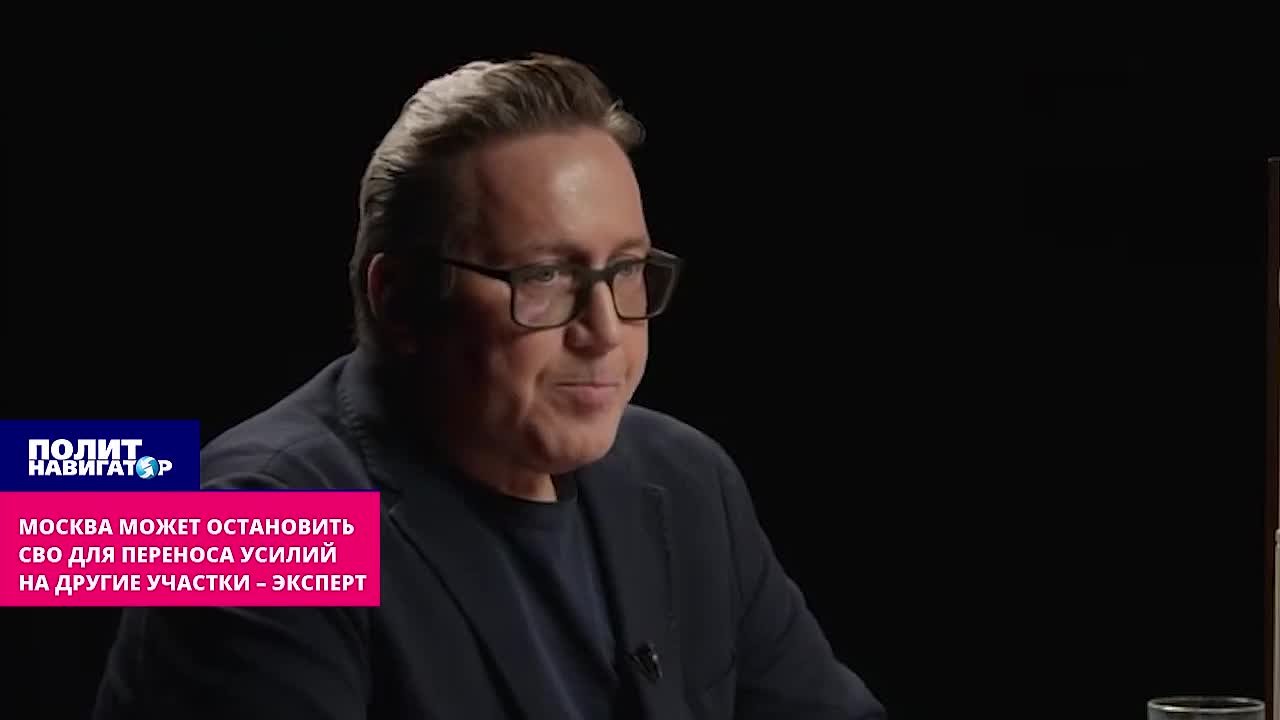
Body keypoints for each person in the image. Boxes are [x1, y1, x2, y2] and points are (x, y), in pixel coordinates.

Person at [92, 53, 885, 720]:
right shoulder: (252, 525)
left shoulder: (687, 479)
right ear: (400, 299)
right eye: (543, 276)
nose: (606, 330)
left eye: (625, 270)